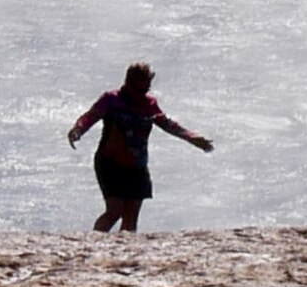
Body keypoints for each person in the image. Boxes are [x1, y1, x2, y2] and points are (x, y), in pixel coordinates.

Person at [67, 62, 210, 233]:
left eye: (145, 90)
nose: (141, 95)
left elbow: (167, 124)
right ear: (127, 82)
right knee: (115, 210)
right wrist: (78, 130)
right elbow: (91, 116)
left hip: (137, 164)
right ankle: (93, 241)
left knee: (131, 214)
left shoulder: (149, 104)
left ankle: (123, 253)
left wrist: (192, 137)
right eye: (138, 90)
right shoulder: (111, 100)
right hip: (110, 162)